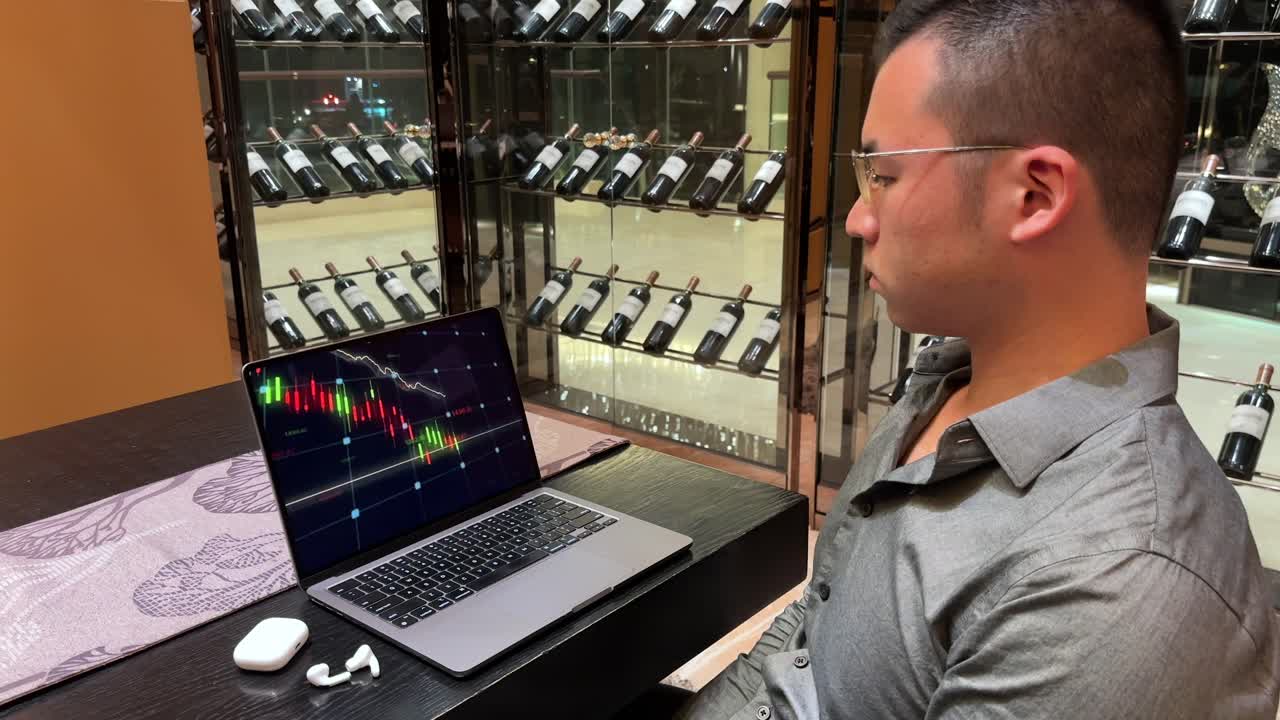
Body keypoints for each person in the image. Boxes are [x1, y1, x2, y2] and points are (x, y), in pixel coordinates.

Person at [668, 1, 1280, 718]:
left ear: (1034, 195)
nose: (859, 217)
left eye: (885, 175)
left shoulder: (1114, 580)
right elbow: (805, 639)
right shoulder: (949, 383)